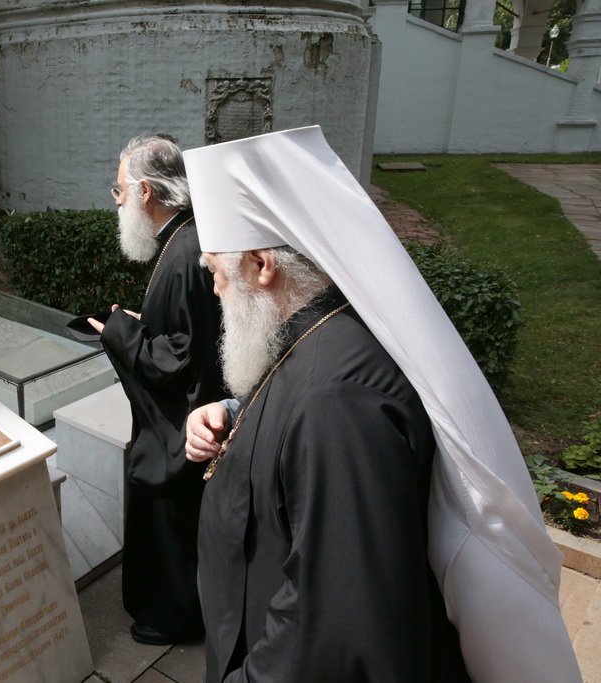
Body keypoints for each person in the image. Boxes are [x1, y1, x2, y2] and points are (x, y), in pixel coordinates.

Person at [182, 126, 581, 682]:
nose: (215, 290)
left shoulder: (337, 402)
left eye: (215, 271)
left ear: (261, 264)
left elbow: (334, 624)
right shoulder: (318, 330)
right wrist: (233, 413)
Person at [87, 134, 226, 645]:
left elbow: (177, 359)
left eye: (120, 190)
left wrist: (119, 331)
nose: (117, 201)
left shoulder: (184, 251)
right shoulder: (187, 237)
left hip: (182, 426)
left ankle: (173, 618)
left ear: (146, 191)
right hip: (196, 411)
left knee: (169, 524)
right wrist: (141, 324)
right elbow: (188, 333)